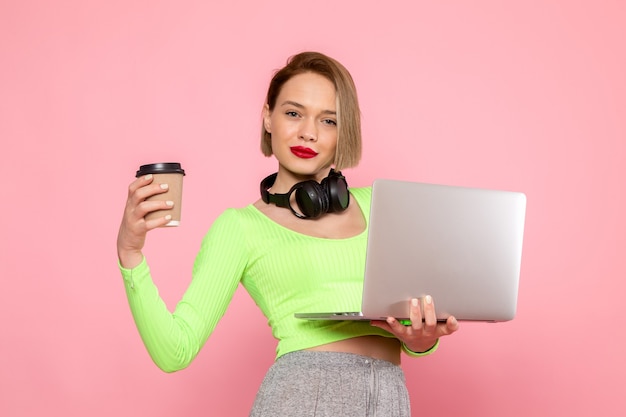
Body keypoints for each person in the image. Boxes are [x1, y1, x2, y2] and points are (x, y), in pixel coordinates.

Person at [117, 51, 459, 416]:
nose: (308, 132)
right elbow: (175, 351)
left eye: (328, 120)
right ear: (268, 117)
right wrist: (130, 253)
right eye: (293, 113)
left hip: (389, 400)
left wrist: (422, 341)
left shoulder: (384, 206)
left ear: (344, 132)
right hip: (300, 399)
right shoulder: (240, 228)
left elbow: (413, 322)